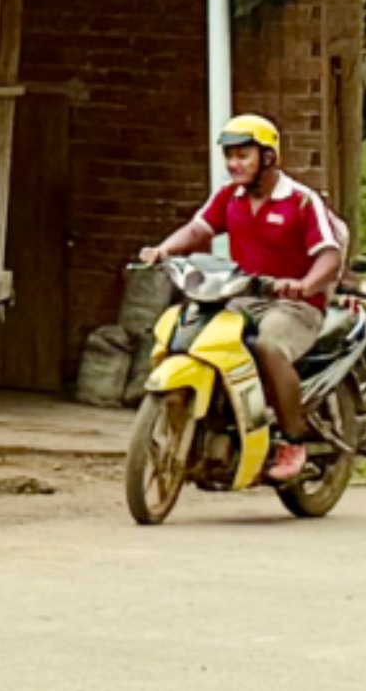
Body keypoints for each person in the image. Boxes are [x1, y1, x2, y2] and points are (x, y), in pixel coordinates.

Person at [136, 112, 350, 476]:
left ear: (267, 157)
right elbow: (198, 229)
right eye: (230, 156)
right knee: (193, 336)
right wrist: (163, 251)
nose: (234, 164)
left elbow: (330, 255)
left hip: (293, 306)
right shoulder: (229, 197)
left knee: (268, 346)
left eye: (243, 155)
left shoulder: (300, 201)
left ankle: (293, 442)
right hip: (240, 298)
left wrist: (305, 285)